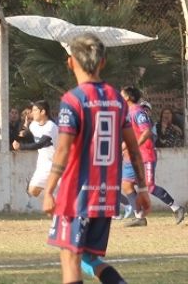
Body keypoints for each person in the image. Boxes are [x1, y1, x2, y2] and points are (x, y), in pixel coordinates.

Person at [43, 33, 151, 284]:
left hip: (76, 193)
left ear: (70, 62)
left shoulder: (72, 101)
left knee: (70, 258)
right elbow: (134, 150)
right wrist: (143, 188)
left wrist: (49, 190)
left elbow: (63, 149)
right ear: (103, 62)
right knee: (90, 258)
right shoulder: (117, 99)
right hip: (106, 193)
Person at [120, 87, 186, 227]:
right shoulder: (126, 114)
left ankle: (177, 208)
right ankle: (139, 217)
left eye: (122, 94)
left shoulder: (138, 112)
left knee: (149, 186)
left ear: (127, 97)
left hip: (145, 155)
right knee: (126, 184)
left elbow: (146, 132)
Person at [12, 100, 57, 197]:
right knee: (32, 191)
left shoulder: (51, 126)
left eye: (35, 110)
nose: (32, 113)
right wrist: (23, 130)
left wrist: (21, 147)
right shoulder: (33, 125)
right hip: (43, 164)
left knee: (63, 195)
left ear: (43, 112)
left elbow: (40, 144)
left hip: (58, 164)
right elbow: (24, 134)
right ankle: (52, 205)